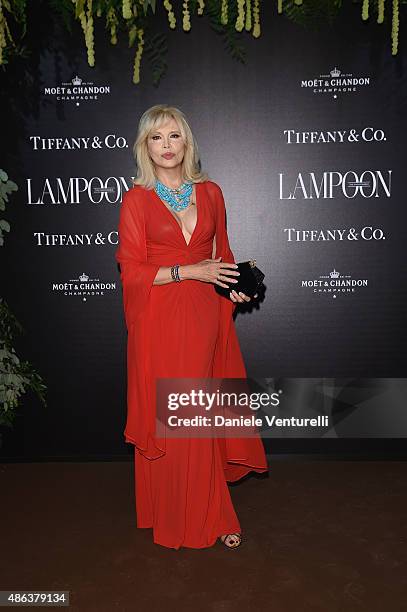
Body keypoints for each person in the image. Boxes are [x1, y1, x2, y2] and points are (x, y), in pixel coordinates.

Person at [115, 104, 268, 550]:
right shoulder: (136, 200)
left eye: (174, 136)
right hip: (157, 315)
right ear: (145, 146)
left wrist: (232, 286)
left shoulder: (213, 192)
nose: (166, 146)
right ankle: (186, 511)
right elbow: (132, 271)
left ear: (187, 142)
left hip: (204, 314)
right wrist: (189, 272)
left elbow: (221, 252)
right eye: (156, 138)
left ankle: (207, 509)